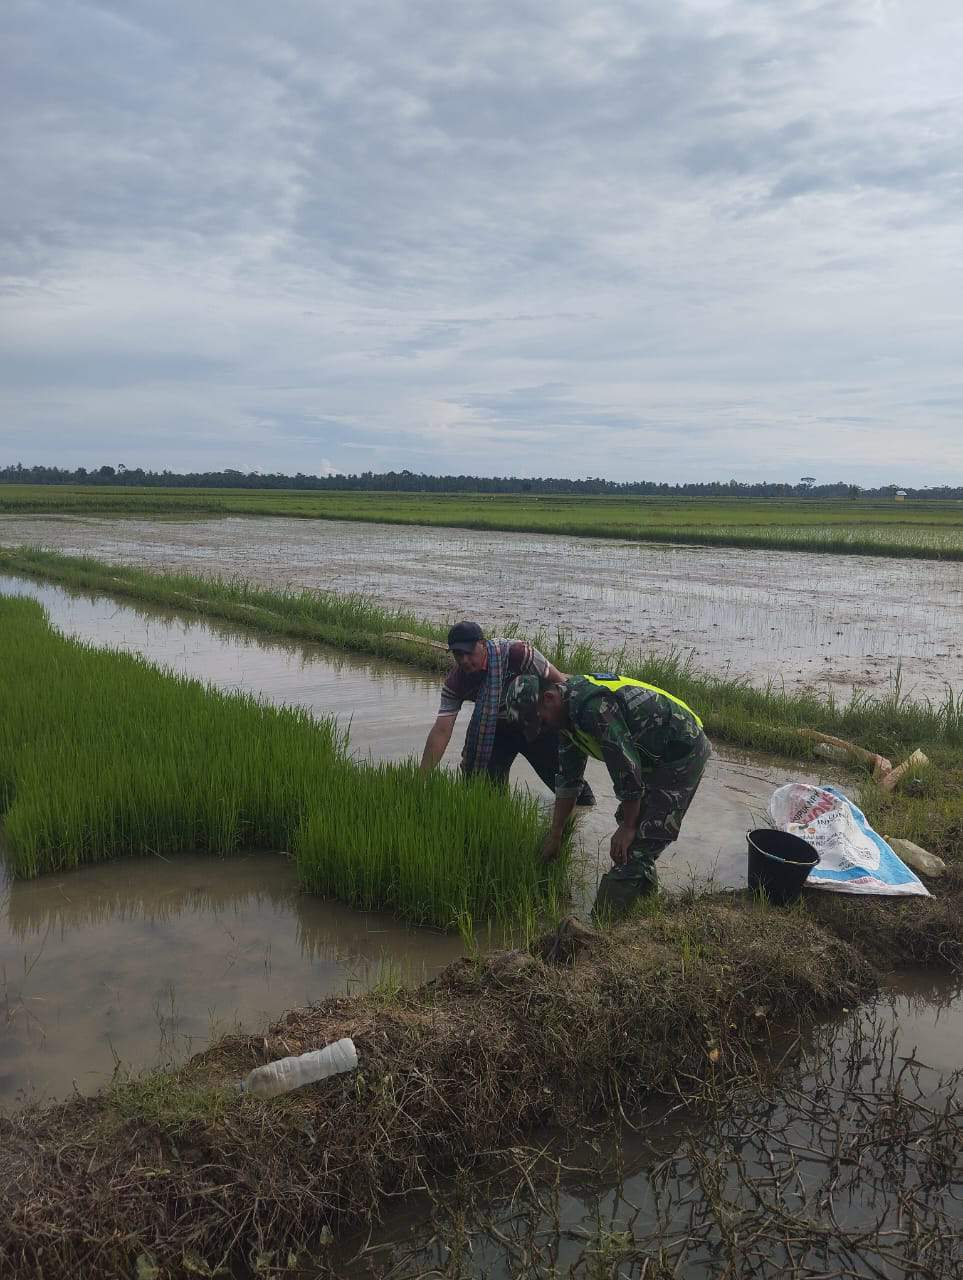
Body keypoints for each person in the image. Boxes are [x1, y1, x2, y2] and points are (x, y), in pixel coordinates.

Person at [505, 671, 710, 918]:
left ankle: (602, 927)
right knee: (633, 838)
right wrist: (556, 833)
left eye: (539, 720)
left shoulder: (593, 709)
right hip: (652, 757)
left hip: (681, 751)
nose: (541, 728)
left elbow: (626, 766)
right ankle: (644, 911)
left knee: (637, 844)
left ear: (549, 698)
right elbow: (569, 781)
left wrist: (629, 826)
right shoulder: (564, 719)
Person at [419, 621, 595, 805]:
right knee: (486, 797)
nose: (464, 660)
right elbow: (442, 731)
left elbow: (561, 685)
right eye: (457, 654)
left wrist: (572, 732)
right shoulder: (456, 682)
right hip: (496, 730)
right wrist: (420, 780)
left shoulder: (518, 654)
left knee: (571, 789)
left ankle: (583, 817)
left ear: (482, 643)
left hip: (537, 725)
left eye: (468, 652)